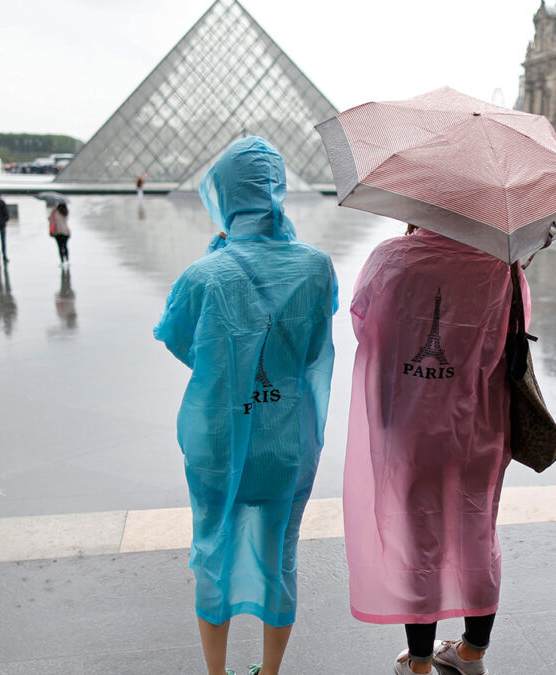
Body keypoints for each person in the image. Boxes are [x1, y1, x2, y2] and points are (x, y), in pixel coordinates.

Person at [153, 137, 338, 675]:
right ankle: (271, 672)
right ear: (277, 191)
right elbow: (309, 350)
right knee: (282, 556)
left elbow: (183, 343)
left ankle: (217, 673)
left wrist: (219, 257)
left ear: (224, 195)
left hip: (218, 445)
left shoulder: (202, 275)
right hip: (285, 442)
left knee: (212, 553)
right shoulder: (316, 267)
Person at [344, 225, 528, 675]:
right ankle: (472, 652)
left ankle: (421, 663)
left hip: (411, 424)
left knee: (418, 538)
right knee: (478, 531)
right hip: (479, 423)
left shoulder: (393, 258)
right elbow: (517, 334)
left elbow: (362, 321)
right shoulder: (502, 265)